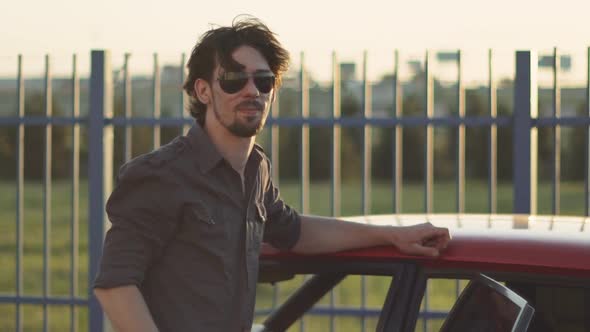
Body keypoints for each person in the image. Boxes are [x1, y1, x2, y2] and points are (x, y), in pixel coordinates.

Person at [93, 16, 451, 332]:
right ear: (203, 90)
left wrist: (392, 237)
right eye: (234, 80)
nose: (251, 90)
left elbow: (295, 232)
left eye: (263, 81)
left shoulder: (255, 170)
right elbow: (114, 284)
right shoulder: (161, 175)